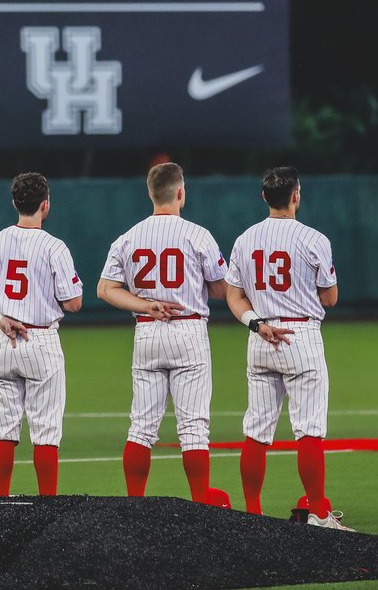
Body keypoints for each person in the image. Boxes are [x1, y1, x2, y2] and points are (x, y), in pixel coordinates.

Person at [224, 166, 352, 531]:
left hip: (260, 335)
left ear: (264, 197)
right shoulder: (314, 239)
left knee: (256, 430)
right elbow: (330, 298)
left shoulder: (245, 239)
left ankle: (252, 513)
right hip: (300, 336)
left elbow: (234, 296)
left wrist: (258, 324)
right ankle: (319, 514)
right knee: (309, 430)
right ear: (296, 195)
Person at [97, 162, 231, 507]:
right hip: (188, 329)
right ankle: (201, 501)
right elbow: (220, 289)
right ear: (181, 192)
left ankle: (134, 506)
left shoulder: (128, 237)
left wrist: (144, 304)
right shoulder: (197, 234)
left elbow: (105, 289)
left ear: (150, 194)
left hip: (147, 331)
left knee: (141, 426)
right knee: (193, 428)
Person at [0, 171, 83, 496]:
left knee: (3, 428)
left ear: (15, 202)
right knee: (45, 431)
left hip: (2, 337)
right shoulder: (54, 247)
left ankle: (0, 502)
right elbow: (73, 303)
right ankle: (47, 507)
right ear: (45, 205)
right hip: (40, 340)